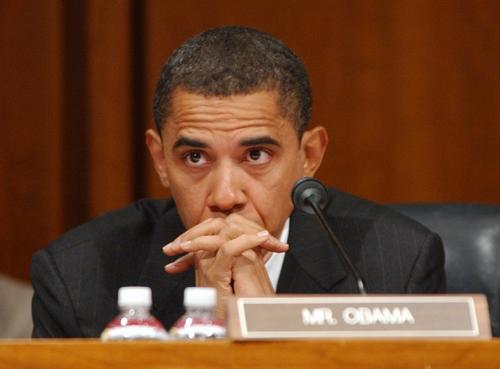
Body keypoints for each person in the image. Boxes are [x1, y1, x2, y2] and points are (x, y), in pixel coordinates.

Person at [31, 26, 445, 338]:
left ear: (309, 156)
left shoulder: (393, 266)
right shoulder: (77, 275)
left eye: (256, 155)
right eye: (195, 157)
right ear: (160, 159)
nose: (226, 196)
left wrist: (269, 331)